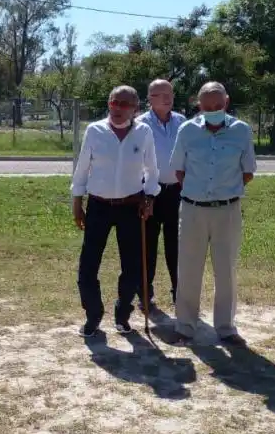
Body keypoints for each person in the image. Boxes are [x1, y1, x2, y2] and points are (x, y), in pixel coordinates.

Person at [170, 82, 256, 346]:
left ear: (226, 102)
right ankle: (185, 325)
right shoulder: (186, 131)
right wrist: (199, 193)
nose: (213, 111)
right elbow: (179, 170)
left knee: (226, 270)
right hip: (193, 209)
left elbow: (248, 172)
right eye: (207, 107)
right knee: (188, 268)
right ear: (199, 105)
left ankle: (226, 327)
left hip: (227, 210)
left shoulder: (241, 131)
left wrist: (222, 191)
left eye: (218, 106)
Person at [71, 85, 160, 336]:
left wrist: (150, 198)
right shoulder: (95, 130)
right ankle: (93, 314)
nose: (118, 108)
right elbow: (81, 169)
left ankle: (122, 314)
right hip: (98, 205)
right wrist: (77, 202)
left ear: (135, 109)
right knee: (88, 265)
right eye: (114, 102)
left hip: (131, 207)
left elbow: (152, 171)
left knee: (132, 267)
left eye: (124, 104)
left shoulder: (143, 132)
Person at [137, 78, 186, 311]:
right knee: (148, 245)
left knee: (176, 245)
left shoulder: (182, 122)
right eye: (160, 94)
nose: (167, 98)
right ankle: (145, 293)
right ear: (150, 99)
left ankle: (180, 293)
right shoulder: (140, 125)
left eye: (170, 94)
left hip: (177, 191)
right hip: (150, 193)